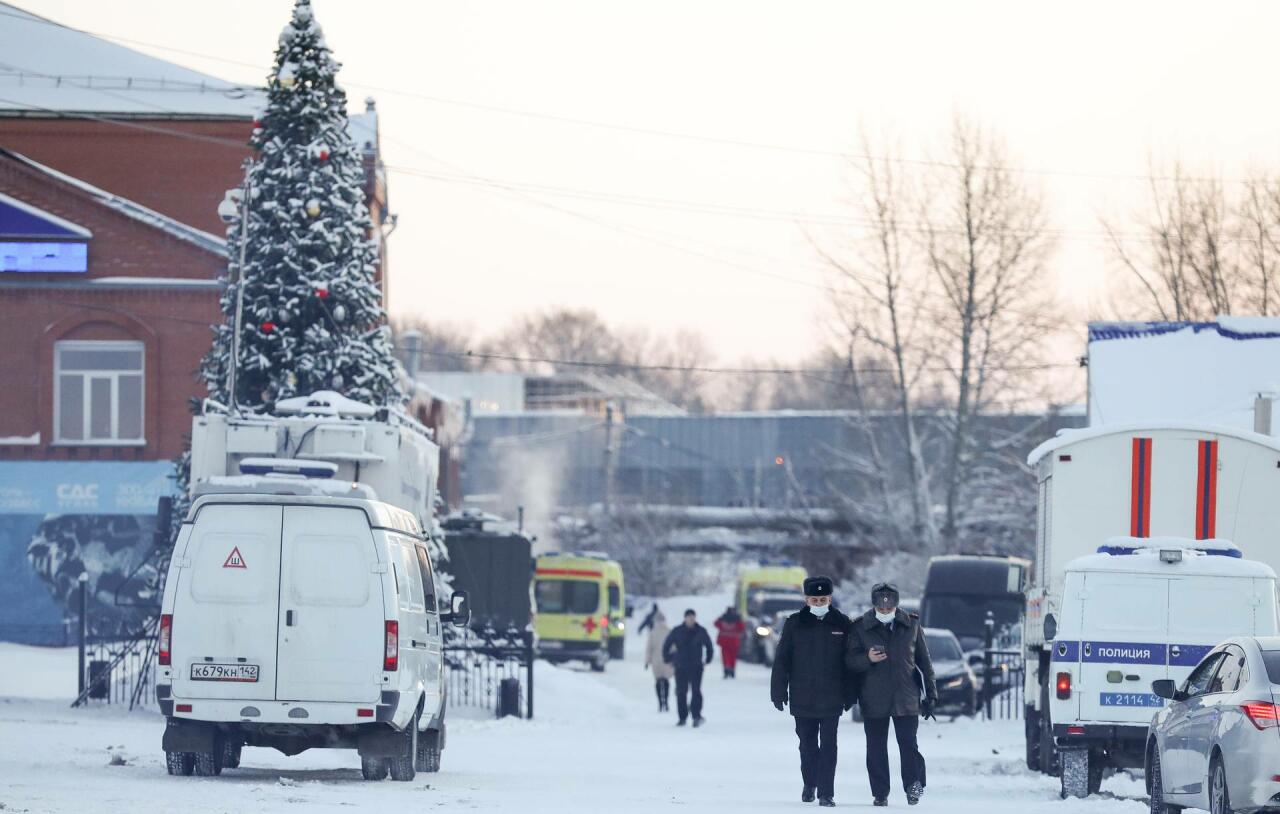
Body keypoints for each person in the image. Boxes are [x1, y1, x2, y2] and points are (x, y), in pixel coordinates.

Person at [846, 582, 936, 807]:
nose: (885, 612)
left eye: (889, 608)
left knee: (908, 743)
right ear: (874, 605)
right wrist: (867, 658)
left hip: (906, 697)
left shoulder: (912, 625)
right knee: (876, 747)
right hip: (873, 697)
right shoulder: (860, 627)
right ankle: (880, 792)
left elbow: (924, 662)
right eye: (881, 609)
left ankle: (914, 785)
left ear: (896, 605)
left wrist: (931, 695)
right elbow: (849, 661)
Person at [770, 576, 858, 808]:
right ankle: (810, 782)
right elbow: (782, 660)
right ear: (807, 599)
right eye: (814, 599)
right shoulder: (794, 623)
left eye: (823, 599)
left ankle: (826, 793)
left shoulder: (842, 624)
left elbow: (850, 662)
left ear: (829, 599)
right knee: (807, 745)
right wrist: (778, 690)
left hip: (832, 696)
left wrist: (850, 694)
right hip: (802, 695)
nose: (819, 603)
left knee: (829, 745)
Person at [662, 608, 714, 727]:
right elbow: (667, 645)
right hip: (681, 666)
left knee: (696, 691)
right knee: (681, 692)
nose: (691, 620)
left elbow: (709, 646)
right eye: (689, 617)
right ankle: (682, 717)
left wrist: (708, 659)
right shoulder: (677, 631)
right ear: (685, 618)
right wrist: (668, 658)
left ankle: (696, 715)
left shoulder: (701, 631)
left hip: (696, 666)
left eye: (693, 617)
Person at [643, 608, 674, 712]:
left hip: (656, 660)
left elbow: (649, 648)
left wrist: (647, 661)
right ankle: (665, 701)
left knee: (658, 681)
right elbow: (674, 648)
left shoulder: (653, 633)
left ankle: (660, 702)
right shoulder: (669, 632)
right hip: (667, 660)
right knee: (666, 681)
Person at [713, 605, 746, 678]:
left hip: (724, 641)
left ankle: (726, 669)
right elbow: (742, 627)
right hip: (734, 641)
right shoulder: (737, 619)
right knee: (733, 657)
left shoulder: (723, 618)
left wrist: (721, 618)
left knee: (725, 656)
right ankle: (732, 670)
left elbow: (716, 624)